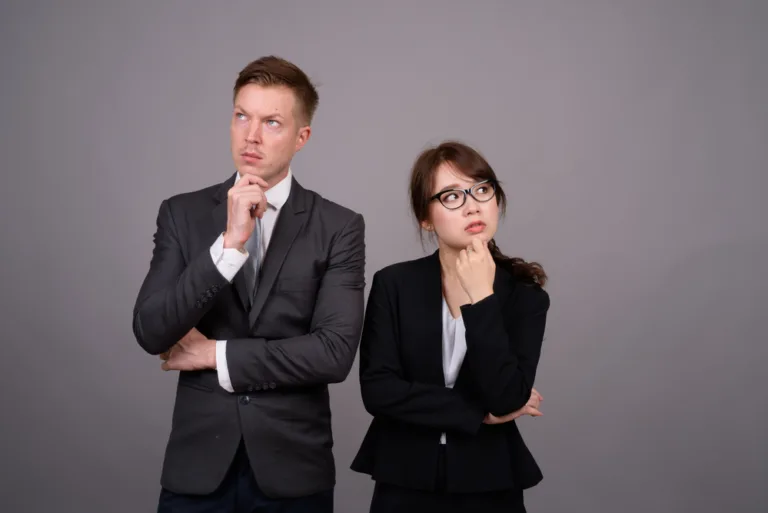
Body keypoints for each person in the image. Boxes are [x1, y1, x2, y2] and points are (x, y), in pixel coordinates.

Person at [132, 55, 366, 513]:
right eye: (242, 116)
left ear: (302, 137)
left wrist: (215, 354)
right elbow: (151, 331)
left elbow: (334, 354)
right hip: (198, 470)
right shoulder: (182, 213)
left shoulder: (339, 226)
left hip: (293, 471)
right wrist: (229, 246)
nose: (251, 136)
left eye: (272, 122)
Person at [350, 141, 550, 512]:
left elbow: (506, 397)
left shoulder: (526, 297)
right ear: (426, 218)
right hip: (404, 477)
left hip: (490, 481)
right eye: (451, 196)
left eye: (482, 190)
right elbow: (379, 391)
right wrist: (477, 413)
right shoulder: (395, 284)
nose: (473, 205)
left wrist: (481, 299)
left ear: (497, 200)